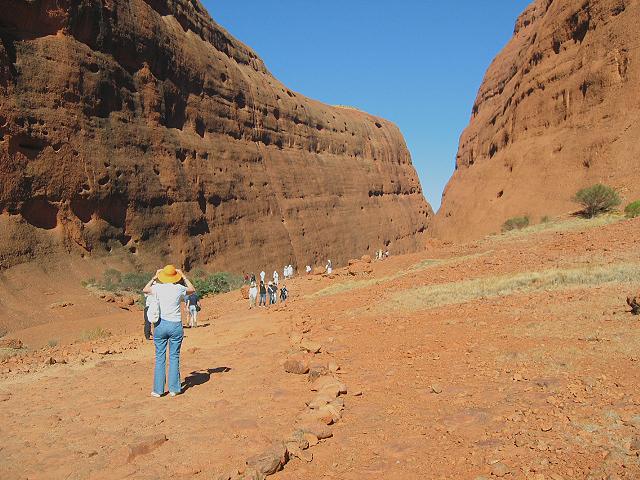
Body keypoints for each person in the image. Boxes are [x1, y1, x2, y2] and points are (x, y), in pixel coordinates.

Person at [143, 265, 196, 398]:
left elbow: (145, 289)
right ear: (175, 276)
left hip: (160, 325)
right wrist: (183, 276)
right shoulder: (179, 288)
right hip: (175, 325)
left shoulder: (157, 288)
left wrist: (154, 277)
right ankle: (174, 389)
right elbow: (192, 289)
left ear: (162, 276)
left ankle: (158, 390)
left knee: (160, 358)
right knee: (174, 357)